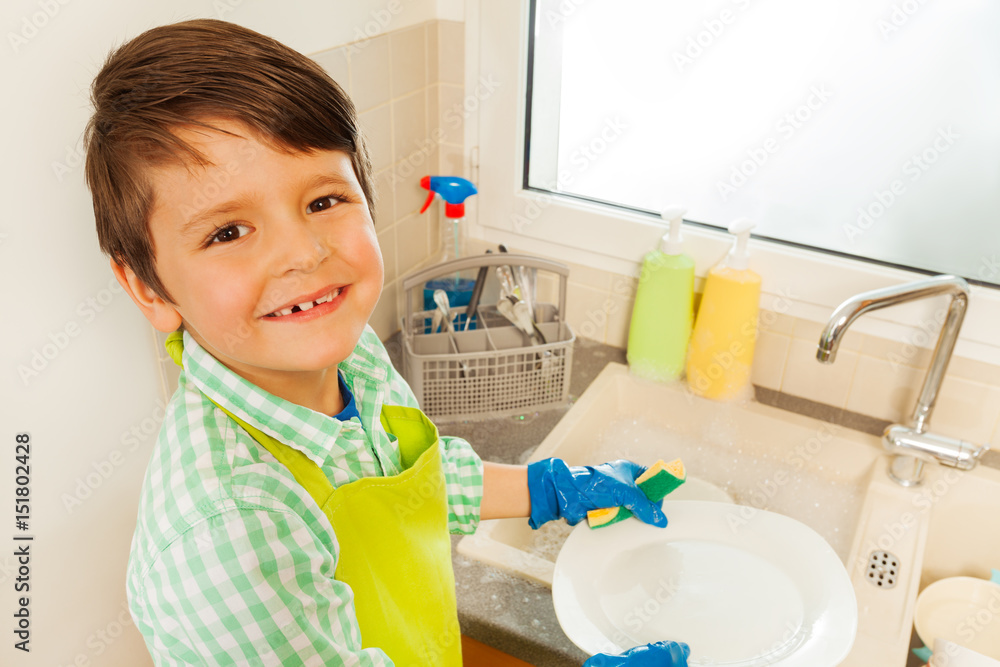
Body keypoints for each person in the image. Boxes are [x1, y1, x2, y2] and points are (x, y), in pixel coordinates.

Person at [83, 18, 689, 666]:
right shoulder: (230, 531)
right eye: (228, 232)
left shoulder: (350, 352)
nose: (304, 252)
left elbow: (411, 482)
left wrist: (553, 488)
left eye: (322, 201)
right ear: (146, 286)